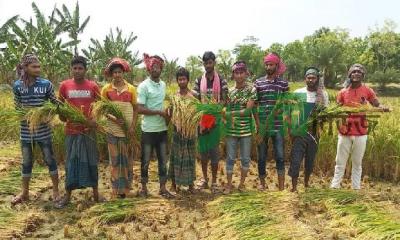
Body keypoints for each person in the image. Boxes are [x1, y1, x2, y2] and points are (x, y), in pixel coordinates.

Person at [330, 64, 389, 190]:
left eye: (359, 72)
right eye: (354, 72)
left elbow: (376, 104)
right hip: (344, 132)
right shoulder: (342, 92)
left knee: (357, 163)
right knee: (340, 162)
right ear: (350, 75)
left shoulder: (368, 91)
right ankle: (334, 187)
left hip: (361, 132)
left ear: (363, 75)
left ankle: (355, 189)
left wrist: (382, 107)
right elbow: (336, 110)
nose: (356, 73)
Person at [11, 54, 60, 205]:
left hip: (44, 132)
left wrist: (48, 115)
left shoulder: (46, 84)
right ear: (25, 68)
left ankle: (56, 190)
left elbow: (55, 104)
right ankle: (24, 193)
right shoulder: (18, 86)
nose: (38, 69)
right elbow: (17, 109)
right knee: (26, 162)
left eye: (39, 66)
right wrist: (27, 116)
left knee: (50, 160)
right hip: (26, 132)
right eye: (34, 67)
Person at [56, 56, 101, 208]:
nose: (77, 71)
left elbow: (100, 107)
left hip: (88, 131)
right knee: (70, 163)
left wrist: (94, 121)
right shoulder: (64, 86)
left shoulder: (93, 86)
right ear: (71, 69)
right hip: (71, 131)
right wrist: (63, 115)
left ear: (85, 70)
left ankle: (96, 194)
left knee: (92, 161)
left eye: (80, 68)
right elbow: (60, 110)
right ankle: (67, 196)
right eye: (74, 68)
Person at [137, 53, 173, 198]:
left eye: (158, 67)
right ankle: (144, 188)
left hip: (162, 130)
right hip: (148, 130)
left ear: (161, 69)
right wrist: (159, 112)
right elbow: (139, 109)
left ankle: (163, 188)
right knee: (145, 160)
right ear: (148, 69)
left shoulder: (163, 85)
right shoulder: (143, 86)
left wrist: (169, 111)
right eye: (153, 67)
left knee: (163, 161)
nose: (155, 69)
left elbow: (165, 103)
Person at [101, 58, 137, 199]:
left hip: (127, 131)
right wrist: (115, 119)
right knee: (115, 161)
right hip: (112, 130)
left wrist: (133, 126)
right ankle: (116, 190)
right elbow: (103, 110)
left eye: (119, 72)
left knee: (127, 160)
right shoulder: (106, 89)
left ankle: (127, 189)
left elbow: (135, 109)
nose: (117, 74)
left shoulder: (131, 89)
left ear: (123, 73)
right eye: (114, 72)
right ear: (111, 74)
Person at [192, 51, 228, 192]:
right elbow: (195, 99)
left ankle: (213, 182)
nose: (208, 65)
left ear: (214, 62)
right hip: (202, 121)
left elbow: (224, 99)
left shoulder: (222, 80)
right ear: (203, 64)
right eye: (205, 63)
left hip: (216, 121)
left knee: (214, 153)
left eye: (210, 62)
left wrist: (215, 112)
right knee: (203, 152)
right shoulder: (199, 80)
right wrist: (204, 116)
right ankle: (204, 180)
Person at [289, 67, 329, 192]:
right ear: (305, 79)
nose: (311, 80)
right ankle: (294, 188)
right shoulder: (298, 92)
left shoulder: (323, 94)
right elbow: (290, 112)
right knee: (295, 160)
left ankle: (306, 184)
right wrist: (291, 130)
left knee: (310, 161)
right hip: (300, 132)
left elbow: (326, 113)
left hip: (314, 133)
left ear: (317, 79)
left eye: (313, 78)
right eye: (308, 77)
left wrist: (321, 121)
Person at [254, 52, 289, 191]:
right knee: (261, 156)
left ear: (277, 65)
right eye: (267, 64)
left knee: (280, 157)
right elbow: (255, 105)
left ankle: (281, 187)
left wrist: (282, 114)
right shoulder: (258, 82)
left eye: (271, 64)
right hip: (262, 125)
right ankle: (262, 185)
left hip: (278, 126)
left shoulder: (283, 84)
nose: (268, 67)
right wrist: (258, 125)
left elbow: (287, 105)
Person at [223, 61, 256, 194]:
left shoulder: (251, 90)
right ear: (233, 75)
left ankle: (241, 184)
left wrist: (230, 113)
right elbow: (226, 108)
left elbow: (248, 111)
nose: (239, 75)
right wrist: (225, 114)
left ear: (246, 74)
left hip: (246, 131)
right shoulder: (229, 91)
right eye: (236, 73)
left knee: (245, 159)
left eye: (241, 72)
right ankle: (229, 185)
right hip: (231, 130)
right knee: (230, 158)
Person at [168, 67, 197, 193]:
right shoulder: (174, 97)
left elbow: (198, 113)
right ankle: (174, 184)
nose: (182, 82)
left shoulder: (194, 96)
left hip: (190, 132)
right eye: (179, 79)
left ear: (188, 80)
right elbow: (170, 113)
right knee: (176, 158)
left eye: (184, 79)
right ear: (177, 81)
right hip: (177, 132)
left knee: (190, 158)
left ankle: (190, 185)